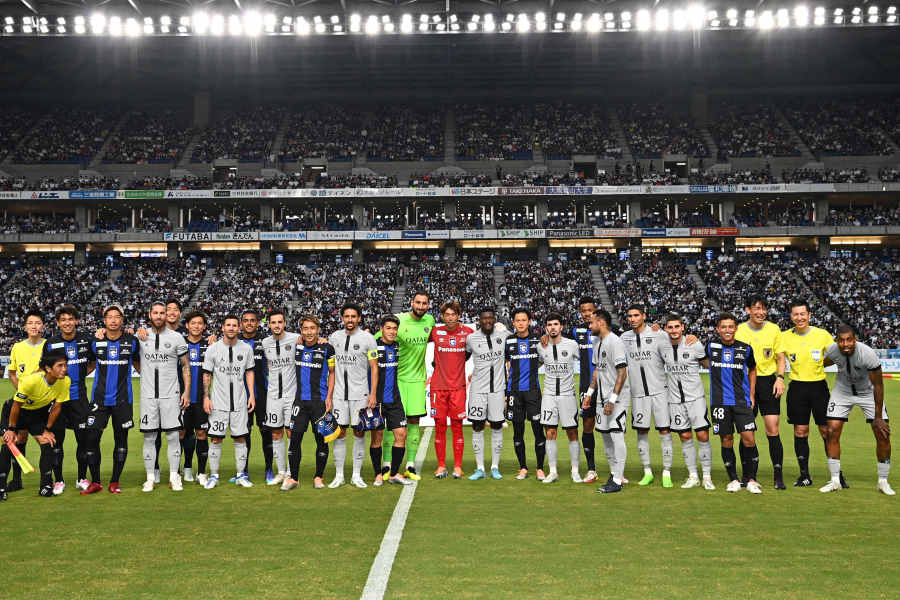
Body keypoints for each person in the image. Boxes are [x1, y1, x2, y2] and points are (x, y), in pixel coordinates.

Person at [819, 325, 893, 495]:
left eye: (849, 340)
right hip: (842, 392)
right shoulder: (833, 350)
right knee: (831, 431)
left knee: (882, 433)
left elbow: (878, 386)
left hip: (867, 393)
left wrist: (878, 417)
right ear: (837, 341)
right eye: (841, 340)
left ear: (855, 340)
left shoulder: (867, 354)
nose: (845, 344)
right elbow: (824, 363)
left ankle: (883, 481)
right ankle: (835, 481)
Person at [775, 299, 837, 487]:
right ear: (791, 316)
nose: (799, 317)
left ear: (809, 315)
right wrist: (779, 377)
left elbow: (835, 356)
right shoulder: (784, 337)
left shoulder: (822, 335)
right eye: (796, 314)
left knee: (826, 431)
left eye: (803, 314)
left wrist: (821, 364)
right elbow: (780, 359)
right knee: (801, 431)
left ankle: (836, 475)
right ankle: (804, 475)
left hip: (819, 388)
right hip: (797, 388)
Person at [377, 291, 435, 481]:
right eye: (417, 302)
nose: (420, 306)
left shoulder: (430, 321)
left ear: (428, 305)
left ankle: (410, 465)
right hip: (398, 380)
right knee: (391, 425)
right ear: (411, 303)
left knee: (414, 423)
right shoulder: (399, 320)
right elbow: (376, 339)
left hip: (417, 381)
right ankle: (387, 465)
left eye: (424, 303)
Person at [0, 350, 70, 499]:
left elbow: (57, 406)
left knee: (48, 441)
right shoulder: (31, 381)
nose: (64, 369)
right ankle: (1, 487)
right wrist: (11, 429)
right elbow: (16, 405)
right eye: (60, 365)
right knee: (9, 443)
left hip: (36, 415)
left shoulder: (65, 381)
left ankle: (45, 485)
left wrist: (47, 429)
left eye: (65, 365)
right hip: (15, 412)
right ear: (48, 368)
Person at [42, 304, 95, 495]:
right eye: (63, 320)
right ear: (58, 323)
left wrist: (78, 378)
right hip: (57, 401)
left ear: (76, 321)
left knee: (83, 440)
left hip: (79, 399)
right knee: (57, 442)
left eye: (70, 319)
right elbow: (44, 368)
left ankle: (81, 478)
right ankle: (59, 481)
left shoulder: (86, 340)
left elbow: (92, 362)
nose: (67, 323)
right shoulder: (51, 343)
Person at [87, 304, 141, 494]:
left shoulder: (132, 341)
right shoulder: (95, 341)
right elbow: (89, 365)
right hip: (99, 400)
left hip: (123, 400)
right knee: (92, 439)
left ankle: (114, 481)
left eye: (116, 316)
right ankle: (96, 481)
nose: (113, 320)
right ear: (104, 320)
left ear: (122, 320)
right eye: (109, 316)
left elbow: (140, 366)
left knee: (121, 439)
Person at [706, 313, 762, 494]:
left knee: (749, 438)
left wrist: (752, 394)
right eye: (723, 327)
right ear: (718, 329)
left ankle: (751, 479)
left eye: (731, 326)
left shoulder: (745, 349)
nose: (727, 330)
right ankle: (733, 480)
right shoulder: (710, 346)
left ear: (736, 328)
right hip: (720, 402)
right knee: (726, 439)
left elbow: (753, 369)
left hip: (741, 401)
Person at [137, 302, 190, 493]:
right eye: (155, 313)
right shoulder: (140, 337)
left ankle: (174, 477)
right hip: (148, 397)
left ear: (166, 315)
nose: (159, 316)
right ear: (149, 315)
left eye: (162, 313)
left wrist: (186, 391)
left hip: (171, 396)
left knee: (173, 436)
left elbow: (185, 366)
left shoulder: (177, 338)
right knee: (149, 437)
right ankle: (150, 478)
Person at [735, 295, 786, 490]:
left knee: (772, 429)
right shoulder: (738, 330)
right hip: (745, 383)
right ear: (748, 310)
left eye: (763, 308)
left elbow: (780, 357)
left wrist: (780, 378)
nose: (761, 312)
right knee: (746, 431)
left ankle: (778, 475)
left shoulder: (774, 329)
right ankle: (747, 474)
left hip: (768, 383)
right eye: (756, 308)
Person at [620, 304, 674, 487]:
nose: (633, 319)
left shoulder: (658, 334)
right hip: (638, 394)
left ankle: (666, 472)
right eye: (630, 316)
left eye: (636, 315)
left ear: (644, 316)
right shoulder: (624, 338)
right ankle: (647, 471)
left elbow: (676, 344)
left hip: (660, 391)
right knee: (641, 432)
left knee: (664, 431)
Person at [658, 314, 714, 490]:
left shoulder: (694, 344)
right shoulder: (662, 346)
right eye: (670, 327)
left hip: (695, 398)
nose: (674, 330)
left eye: (677, 326)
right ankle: (693, 475)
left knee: (702, 435)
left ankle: (707, 477)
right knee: (684, 436)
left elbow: (707, 364)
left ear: (682, 327)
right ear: (666, 329)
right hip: (675, 400)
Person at [201, 315, 256, 489]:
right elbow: (207, 374)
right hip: (218, 403)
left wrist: (251, 395)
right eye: (228, 325)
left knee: (240, 438)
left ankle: (240, 475)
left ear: (239, 328)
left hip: (239, 403)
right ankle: (214, 476)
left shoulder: (246, 349)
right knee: (216, 439)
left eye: (234, 325)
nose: (231, 328)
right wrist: (206, 397)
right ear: (223, 328)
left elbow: (249, 372)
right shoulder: (213, 349)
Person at [328, 303, 379, 489]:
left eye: (353, 316)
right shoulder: (334, 337)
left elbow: (374, 368)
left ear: (359, 318)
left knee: (359, 432)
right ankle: (339, 475)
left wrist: (372, 394)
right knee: (339, 433)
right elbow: (330, 367)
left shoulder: (368, 339)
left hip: (360, 394)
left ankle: (356, 475)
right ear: (342, 318)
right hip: (339, 394)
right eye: (347, 316)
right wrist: (329, 395)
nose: (350, 320)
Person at [283, 315, 334, 491]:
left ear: (318, 329)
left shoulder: (327, 348)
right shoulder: (296, 346)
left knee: (321, 440)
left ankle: (318, 477)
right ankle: (294, 478)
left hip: (319, 402)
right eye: (305, 328)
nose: (309, 332)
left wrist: (329, 397)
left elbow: (332, 373)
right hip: (300, 402)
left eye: (312, 328)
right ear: (301, 331)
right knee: (294, 439)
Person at [583, 309, 629, 494]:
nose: (589, 326)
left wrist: (613, 400)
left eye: (591, 322)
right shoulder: (597, 342)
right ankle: (613, 473)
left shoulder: (615, 342)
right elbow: (597, 371)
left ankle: (618, 480)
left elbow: (622, 373)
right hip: (601, 399)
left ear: (601, 323)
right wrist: (589, 394)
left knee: (617, 435)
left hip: (616, 399)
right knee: (606, 437)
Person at [428, 301, 474, 479]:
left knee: (457, 426)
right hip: (438, 388)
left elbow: (483, 344)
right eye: (447, 315)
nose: (450, 318)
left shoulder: (468, 333)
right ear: (442, 316)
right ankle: (441, 466)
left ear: (459, 316)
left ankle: (458, 467)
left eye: (453, 314)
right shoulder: (435, 332)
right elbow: (414, 337)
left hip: (458, 388)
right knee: (439, 426)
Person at [5, 308, 46, 493]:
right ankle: (17, 479)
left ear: (43, 326)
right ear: (25, 326)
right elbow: (12, 373)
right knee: (20, 438)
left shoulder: (49, 345)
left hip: (43, 403)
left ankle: (48, 480)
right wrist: (21, 391)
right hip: (22, 403)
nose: (34, 326)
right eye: (30, 323)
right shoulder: (17, 347)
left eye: (37, 323)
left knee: (45, 439)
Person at [465, 308, 510, 480]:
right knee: (477, 426)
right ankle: (480, 468)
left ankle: (495, 467)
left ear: (495, 319)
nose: (488, 321)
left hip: (497, 390)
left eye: (491, 318)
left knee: (497, 426)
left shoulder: (504, 336)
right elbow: (462, 357)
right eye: (484, 318)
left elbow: (519, 339)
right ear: (480, 320)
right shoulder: (471, 338)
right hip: (477, 390)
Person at [537, 313, 582, 484]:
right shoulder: (541, 346)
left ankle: (575, 471)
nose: (553, 327)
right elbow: (537, 363)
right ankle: (553, 471)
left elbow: (586, 359)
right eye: (549, 325)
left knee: (572, 432)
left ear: (561, 327)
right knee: (550, 432)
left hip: (567, 395)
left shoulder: (572, 345)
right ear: (546, 328)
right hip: (549, 395)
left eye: (556, 324)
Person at [505, 308, 546, 481]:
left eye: (524, 320)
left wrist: (530, 369)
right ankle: (523, 467)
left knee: (538, 431)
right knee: (518, 431)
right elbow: (506, 363)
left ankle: (540, 468)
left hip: (533, 392)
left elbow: (542, 360)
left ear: (529, 322)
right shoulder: (508, 341)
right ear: (513, 323)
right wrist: (506, 393)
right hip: (514, 393)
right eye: (517, 320)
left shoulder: (538, 340)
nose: (520, 323)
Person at [260, 309, 300, 486]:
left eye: (279, 322)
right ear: (269, 324)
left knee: (291, 432)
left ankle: (291, 472)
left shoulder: (296, 338)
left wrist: (322, 340)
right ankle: (281, 472)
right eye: (273, 322)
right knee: (276, 433)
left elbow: (314, 341)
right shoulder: (265, 342)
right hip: (273, 396)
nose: (276, 325)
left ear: (285, 323)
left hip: (291, 396)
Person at [373, 315, 414, 486]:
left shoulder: (397, 346)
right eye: (388, 328)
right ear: (381, 329)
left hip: (394, 400)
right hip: (377, 400)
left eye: (395, 328)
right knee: (377, 438)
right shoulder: (373, 346)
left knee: (401, 434)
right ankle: (378, 474)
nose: (392, 331)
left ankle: (394, 474)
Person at [239, 310, 270, 482]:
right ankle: (243, 470)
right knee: (244, 433)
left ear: (258, 323)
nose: (249, 323)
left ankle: (269, 469)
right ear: (241, 324)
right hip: (241, 397)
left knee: (266, 432)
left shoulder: (265, 341)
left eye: (252, 320)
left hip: (263, 395)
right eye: (246, 320)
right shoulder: (234, 341)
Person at [181, 310, 211, 486]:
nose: (196, 326)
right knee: (182, 433)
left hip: (201, 399)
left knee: (201, 433)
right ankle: (186, 467)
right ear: (187, 325)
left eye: (200, 323)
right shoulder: (180, 344)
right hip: (182, 399)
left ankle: (201, 472)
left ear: (204, 326)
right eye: (193, 323)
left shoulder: (210, 346)